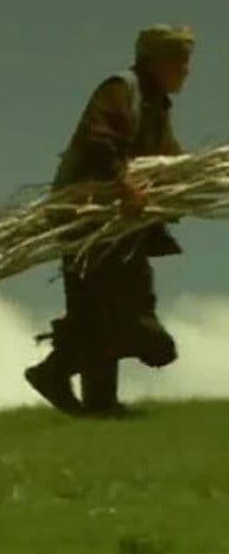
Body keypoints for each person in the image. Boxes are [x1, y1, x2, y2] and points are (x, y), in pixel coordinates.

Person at [24, 24, 191, 416]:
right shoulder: (121, 90)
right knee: (129, 318)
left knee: (94, 315)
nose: (186, 72)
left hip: (118, 224)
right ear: (159, 62)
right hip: (88, 220)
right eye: (181, 63)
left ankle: (96, 402)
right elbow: (97, 139)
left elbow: (166, 157)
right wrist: (123, 184)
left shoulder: (156, 105)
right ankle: (58, 373)